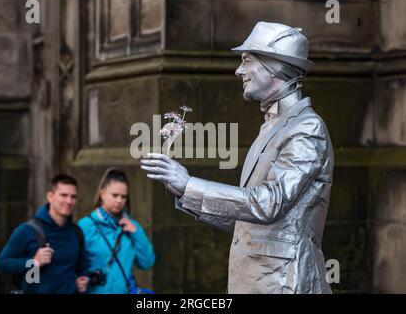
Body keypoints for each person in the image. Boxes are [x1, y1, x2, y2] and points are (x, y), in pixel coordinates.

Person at [141, 21, 334, 294]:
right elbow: (249, 220)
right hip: (264, 280)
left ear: (274, 67)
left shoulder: (306, 127)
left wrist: (190, 184)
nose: (239, 70)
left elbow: (268, 204)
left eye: (247, 61)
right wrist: (187, 194)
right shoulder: (275, 126)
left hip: (285, 283)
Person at [0, 174, 89, 294]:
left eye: (73, 197)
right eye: (64, 195)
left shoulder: (76, 232)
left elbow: (83, 268)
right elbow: (2, 264)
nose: (69, 201)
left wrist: (84, 280)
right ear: (50, 196)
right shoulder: (27, 230)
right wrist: (34, 262)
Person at [77, 168, 155, 294]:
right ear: (102, 194)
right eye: (115, 195)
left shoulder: (132, 227)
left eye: (123, 196)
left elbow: (147, 262)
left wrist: (136, 233)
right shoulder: (86, 226)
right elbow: (73, 265)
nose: (119, 200)